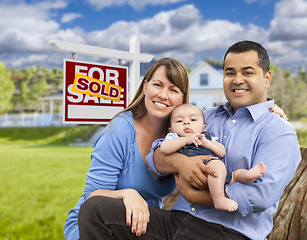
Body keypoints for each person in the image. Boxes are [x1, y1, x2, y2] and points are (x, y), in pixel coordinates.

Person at [78, 40, 301, 240]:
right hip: (175, 222)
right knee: (97, 210)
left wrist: (194, 195)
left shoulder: (278, 131)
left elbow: (259, 197)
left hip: (227, 233)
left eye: (247, 72)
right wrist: (180, 163)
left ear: (267, 78)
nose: (237, 80)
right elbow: (155, 158)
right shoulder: (206, 117)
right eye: (230, 72)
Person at [64, 57, 198, 240]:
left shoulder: (179, 137)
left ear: (182, 98)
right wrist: (127, 194)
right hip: (97, 224)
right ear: (145, 87)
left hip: (142, 225)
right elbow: (92, 195)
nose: (163, 95)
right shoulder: (121, 128)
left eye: (173, 90)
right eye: (157, 85)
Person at [161, 103, 266, 212]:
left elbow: (222, 152)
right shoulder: (174, 137)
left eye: (193, 120)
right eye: (179, 121)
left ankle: (247, 176)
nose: (186, 123)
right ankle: (219, 199)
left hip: (218, 175)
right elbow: (164, 148)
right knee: (217, 165)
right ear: (171, 130)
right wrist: (185, 140)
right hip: (202, 171)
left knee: (236, 174)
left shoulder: (205, 137)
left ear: (203, 128)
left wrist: (207, 143)